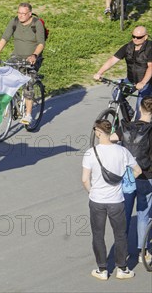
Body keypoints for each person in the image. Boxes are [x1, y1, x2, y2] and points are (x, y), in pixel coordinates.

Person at [82, 120, 141, 280]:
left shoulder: (90, 153)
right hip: (116, 201)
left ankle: (102, 270)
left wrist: (91, 192)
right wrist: (124, 183)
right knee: (120, 235)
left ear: (98, 132)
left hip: (97, 200)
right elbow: (137, 170)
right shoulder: (122, 152)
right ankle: (122, 268)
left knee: (98, 235)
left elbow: (85, 179)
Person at [0, 3, 45, 126]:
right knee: (6, 76)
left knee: (28, 82)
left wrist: (34, 55)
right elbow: (5, 38)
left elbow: (41, 43)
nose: (20, 16)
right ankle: (11, 103)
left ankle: (28, 114)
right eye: (19, 13)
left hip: (32, 58)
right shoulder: (14, 22)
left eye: (23, 14)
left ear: (30, 14)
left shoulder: (37, 24)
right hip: (17, 56)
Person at [115, 96, 152, 265]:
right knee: (144, 215)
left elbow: (113, 138)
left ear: (140, 109)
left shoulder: (127, 127)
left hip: (128, 177)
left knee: (125, 215)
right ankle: (142, 253)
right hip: (147, 177)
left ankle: (120, 254)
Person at [94, 26, 152, 120]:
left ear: (145, 37)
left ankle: (139, 131)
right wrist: (99, 72)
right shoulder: (128, 47)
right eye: (133, 36)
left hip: (147, 82)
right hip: (131, 79)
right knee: (117, 92)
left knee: (140, 111)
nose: (135, 39)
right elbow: (113, 60)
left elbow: (150, 67)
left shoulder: (150, 48)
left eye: (139, 37)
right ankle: (129, 113)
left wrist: (143, 82)